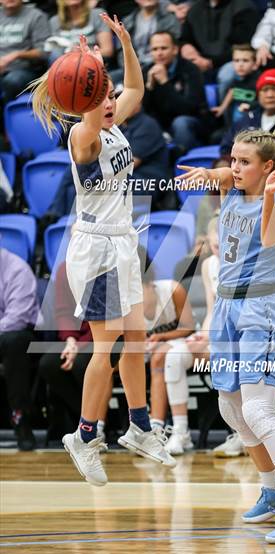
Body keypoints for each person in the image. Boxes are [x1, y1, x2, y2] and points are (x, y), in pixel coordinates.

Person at [31, 14, 176, 487]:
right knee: (107, 345)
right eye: (101, 95)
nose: (111, 101)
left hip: (122, 242)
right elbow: (94, 105)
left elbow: (134, 87)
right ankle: (84, 435)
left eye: (110, 95)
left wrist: (126, 45)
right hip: (95, 248)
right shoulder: (82, 135)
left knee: (136, 339)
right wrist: (88, 63)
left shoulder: (114, 126)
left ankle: (138, 425)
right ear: (86, 99)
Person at [178, 112, 275, 544]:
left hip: (262, 308)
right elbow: (226, 171)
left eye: (244, 162)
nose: (234, 167)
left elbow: (267, 239)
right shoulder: (232, 182)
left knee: (259, 410)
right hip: (227, 307)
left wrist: (269, 196)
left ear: (268, 168)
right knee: (231, 407)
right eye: (233, 160)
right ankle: (272, 492)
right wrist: (212, 170)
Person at [39, 261, 113, 440]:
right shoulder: (65, 268)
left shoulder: (108, 266)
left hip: (106, 335)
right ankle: (83, 420)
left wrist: (78, 346)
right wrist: (70, 340)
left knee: (83, 364)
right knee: (48, 364)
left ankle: (96, 426)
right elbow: (63, 311)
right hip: (76, 339)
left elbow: (106, 317)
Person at [142, 260, 195, 452]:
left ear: (149, 284)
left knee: (160, 357)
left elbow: (189, 327)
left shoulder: (173, 290)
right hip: (143, 349)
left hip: (177, 342)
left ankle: (157, 427)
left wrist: (162, 336)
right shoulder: (125, 302)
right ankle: (98, 428)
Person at [143, 30, 209, 153]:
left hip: (192, 122)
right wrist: (149, 87)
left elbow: (189, 109)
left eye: (164, 48)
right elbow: (142, 111)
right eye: (155, 49)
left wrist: (165, 83)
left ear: (175, 50)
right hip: (160, 124)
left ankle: (181, 164)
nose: (159, 53)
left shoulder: (191, 70)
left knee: (181, 123)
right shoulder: (147, 71)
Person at [0, 246, 39, 451]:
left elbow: (17, 318)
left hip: (17, 334)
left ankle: (21, 419)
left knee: (14, 341)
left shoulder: (17, 269)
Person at [179, 0, 260, 95]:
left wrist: (211, 63)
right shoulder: (195, 9)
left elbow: (242, 47)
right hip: (200, 62)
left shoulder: (244, 8)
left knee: (226, 75)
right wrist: (185, 46)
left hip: (231, 61)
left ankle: (222, 109)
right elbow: (185, 39)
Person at [219, 68, 275, 157]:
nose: (270, 95)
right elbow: (226, 149)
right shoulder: (247, 119)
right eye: (265, 90)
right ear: (258, 94)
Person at [0, 0, 50, 103]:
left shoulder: (36, 16)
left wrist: (16, 55)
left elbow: (44, 51)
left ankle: (8, 117)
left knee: (12, 80)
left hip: (26, 69)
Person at [46, 0, 114, 65]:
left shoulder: (97, 14)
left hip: (92, 63)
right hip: (64, 64)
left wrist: (82, 53)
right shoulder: (54, 21)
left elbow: (107, 51)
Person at [211, 44, 259, 128]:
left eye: (245, 60)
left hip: (253, 118)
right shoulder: (235, 79)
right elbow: (232, 92)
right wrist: (222, 107)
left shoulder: (258, 80)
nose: (240, 65)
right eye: (236, 60)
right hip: (237, 117)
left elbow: (263, 101)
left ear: (255, 64)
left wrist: (250, 106)